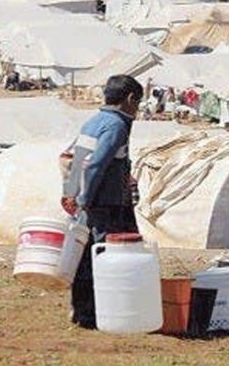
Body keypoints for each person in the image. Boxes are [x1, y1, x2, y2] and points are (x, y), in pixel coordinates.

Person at [61, 74, 144, 330]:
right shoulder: (117, 126)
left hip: (87, 200)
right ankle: (96, 313)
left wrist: (72, 194)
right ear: (130, 98)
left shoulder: (93, 122)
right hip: (105, 203)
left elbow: (71, 159)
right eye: (138, 102)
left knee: (86, 255)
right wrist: (85, 199)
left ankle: (81, 309)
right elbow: (96, 165)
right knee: (104, 256)